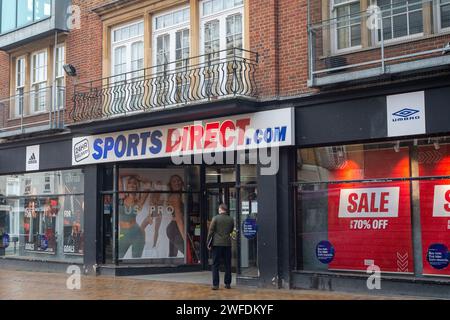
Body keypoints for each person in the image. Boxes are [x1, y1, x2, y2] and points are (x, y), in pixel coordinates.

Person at [118, 175, 151, 259]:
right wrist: (133, 175)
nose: (132, 185)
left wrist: (140, 179)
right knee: (118, 257)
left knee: (136, 260)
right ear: (127, 185)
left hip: (137, 234)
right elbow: (119, 177)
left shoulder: (139, 201)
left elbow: (148, 184)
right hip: (123, 234)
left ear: (137, 186)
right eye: (130, 183)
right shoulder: (121, 197)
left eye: (134, 183)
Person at [207, 203, 235, 290]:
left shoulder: (215, 218)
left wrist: (208, 242)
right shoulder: (230, 219)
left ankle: (216, 285)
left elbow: (211, 231)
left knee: (215, 264)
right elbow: (231, 230)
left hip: (217, 244)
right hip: (227, 244)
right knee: (228, 264)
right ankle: (227, 284)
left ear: (220, 209)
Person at [166, 175, 186, 257]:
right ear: (170, 185)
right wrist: (184, 237)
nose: (177, 183)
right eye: (174, 181)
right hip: (176, 228)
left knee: (172, 255)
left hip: (174, 228)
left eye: (178, 180)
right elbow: (179, 218)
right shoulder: (176, 197)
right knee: (187, 251)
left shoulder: (180, 195)